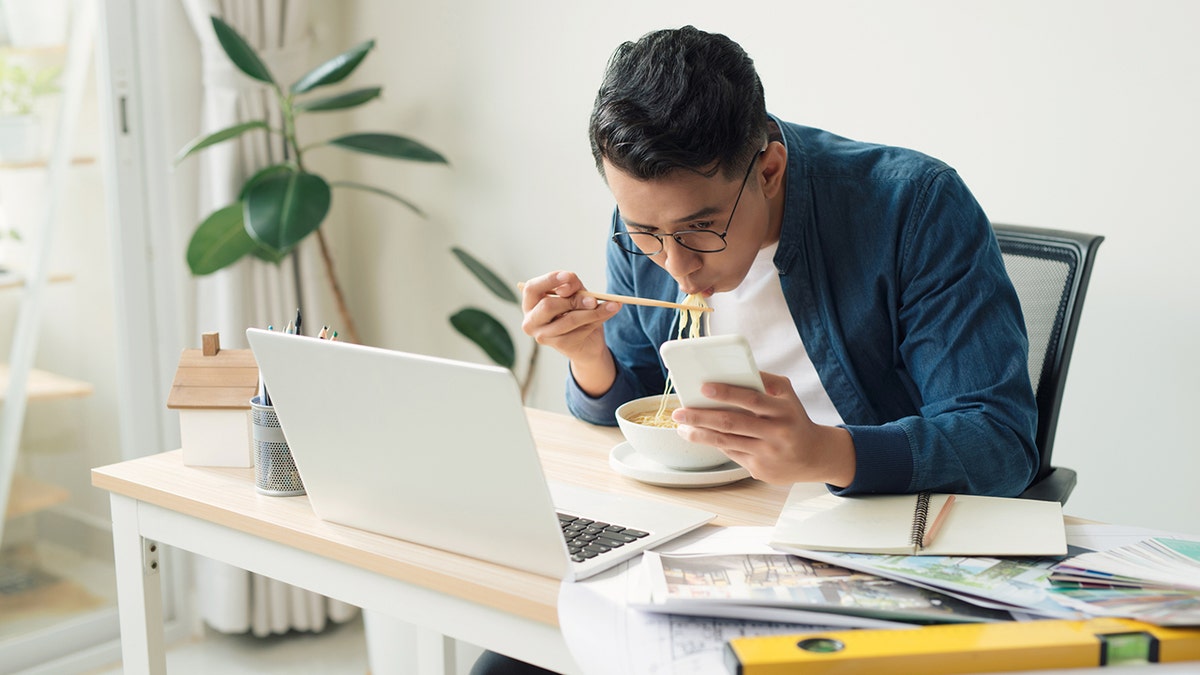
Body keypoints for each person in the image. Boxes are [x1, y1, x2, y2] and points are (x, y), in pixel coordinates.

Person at [479, 25, 1038, 674]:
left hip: (872, 554)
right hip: (699, 534)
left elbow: (1001, 441)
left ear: (769, 170)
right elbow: (633, 401)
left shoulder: (913, 206)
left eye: (702, 229)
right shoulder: (645, 226)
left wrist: (830, 451)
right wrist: (589, 356)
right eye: (646, 235)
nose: (679, 268)